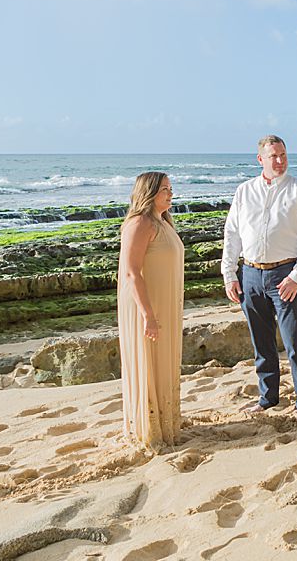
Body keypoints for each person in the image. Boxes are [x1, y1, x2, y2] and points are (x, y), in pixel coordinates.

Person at [221, 135, 297, 413]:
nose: (279, 161)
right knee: (261, 343)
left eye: (283, 155)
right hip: (250, 274)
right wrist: (229, 273)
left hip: (286, 274)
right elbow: (232, 233)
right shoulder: (244, 191)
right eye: (273, 156)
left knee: (295, 341)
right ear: (260, 160)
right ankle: (268, 399)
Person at [117, 171, 184, 448]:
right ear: (149, 192)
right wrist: (148, 315)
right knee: (149, 362)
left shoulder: (163, 221)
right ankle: (148, 430)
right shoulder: (140, 223)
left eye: (170, 188)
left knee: (164, 362)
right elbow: (132, 273)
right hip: (147, 307)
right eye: (165, 189)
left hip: (165, 305)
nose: (170, 193)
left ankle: (166, 422)